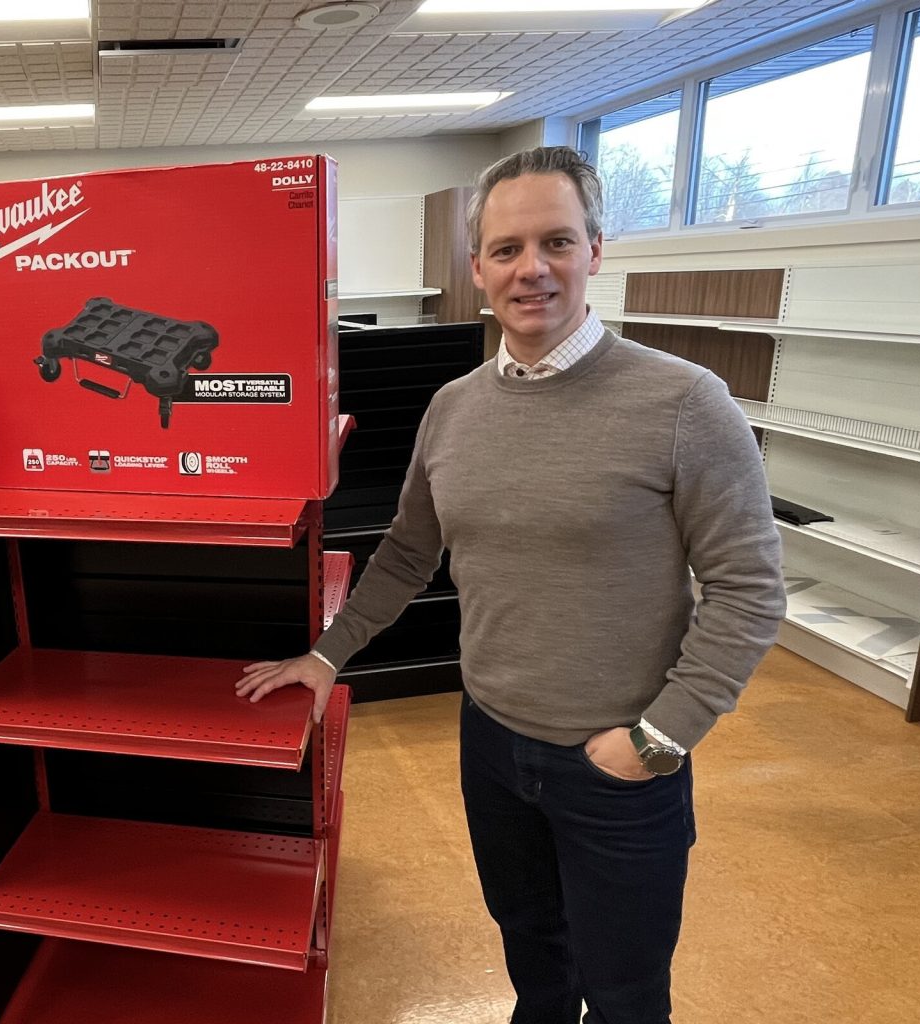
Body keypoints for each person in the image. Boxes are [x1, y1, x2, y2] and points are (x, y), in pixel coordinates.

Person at [237, 146, 785, 1024]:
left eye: (556, 241)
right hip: (491, 745)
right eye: (507, 249)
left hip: (619, 765)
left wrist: (658, 740)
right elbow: (408, 553)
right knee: (534, 959)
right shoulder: (454, 408)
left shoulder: (686, 403)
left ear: (595, 250)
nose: (532, 268)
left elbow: (749, 590)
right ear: (478, 268)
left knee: (625, 993)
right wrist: (328, 654)